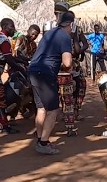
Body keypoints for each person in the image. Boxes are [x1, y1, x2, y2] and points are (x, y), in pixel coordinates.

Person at [27, 10, 77, 155]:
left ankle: (40, 139)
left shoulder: (49, 33)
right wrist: (68, 66)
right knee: (53, 110)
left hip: (33, 71)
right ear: (71, 24)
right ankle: (43, 143)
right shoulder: (65, 37)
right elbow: (67, 63)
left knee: (41, 108)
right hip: (46, 74)